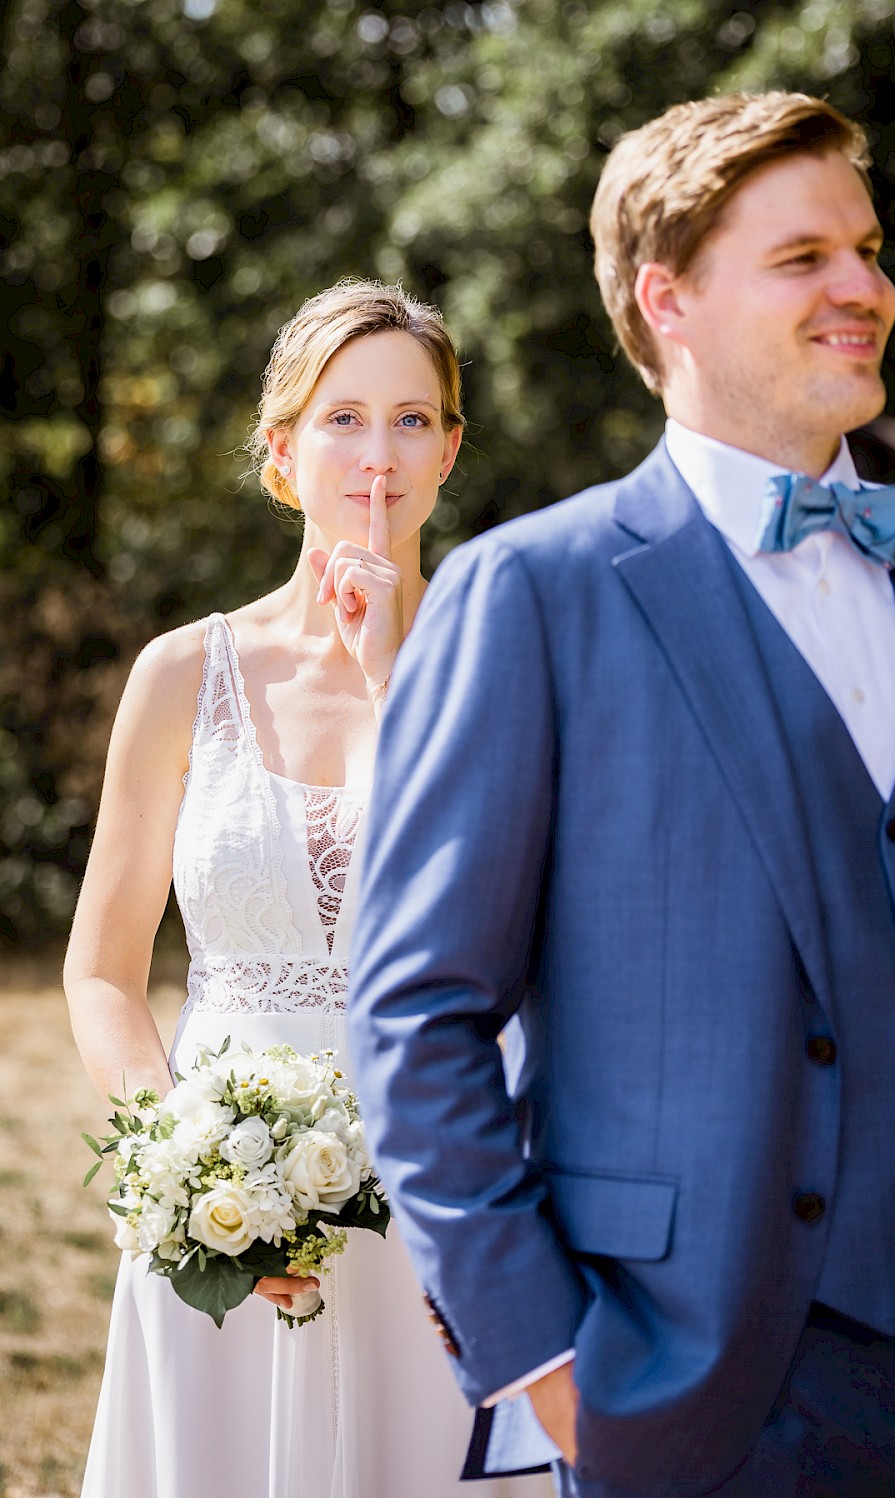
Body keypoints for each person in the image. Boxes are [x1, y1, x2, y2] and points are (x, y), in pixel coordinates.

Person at [346, 93, 895, 1497]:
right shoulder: (534, 594)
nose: (864, 289)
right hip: (705, 1393)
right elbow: (416, 1008)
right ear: (669, 298)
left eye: (870, 249)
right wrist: (547, 1364)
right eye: (803, 257)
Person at [65, 279, 556, 1498]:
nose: (377, 455)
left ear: (449, 449)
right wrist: (183, 1170)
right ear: (282, 451)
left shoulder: (513, 663)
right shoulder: (184, 672)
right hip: (227, 1202)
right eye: (342, 418)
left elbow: (524, 926)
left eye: (409, 420)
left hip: (448, 1183)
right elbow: (101, 970)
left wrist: (396, 670)